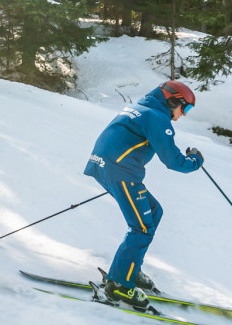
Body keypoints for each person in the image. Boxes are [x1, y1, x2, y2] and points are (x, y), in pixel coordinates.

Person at [83, 80, 204, 310]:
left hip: (105, 166)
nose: (184, 114)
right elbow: (174, 161)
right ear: (173, 101)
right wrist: (196, 160)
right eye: (185, 108)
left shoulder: (141, 108)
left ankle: (130, 269)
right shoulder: (158, 118)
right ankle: (119, 285)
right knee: (141, 227)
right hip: (120, 171)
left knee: (154, 212)